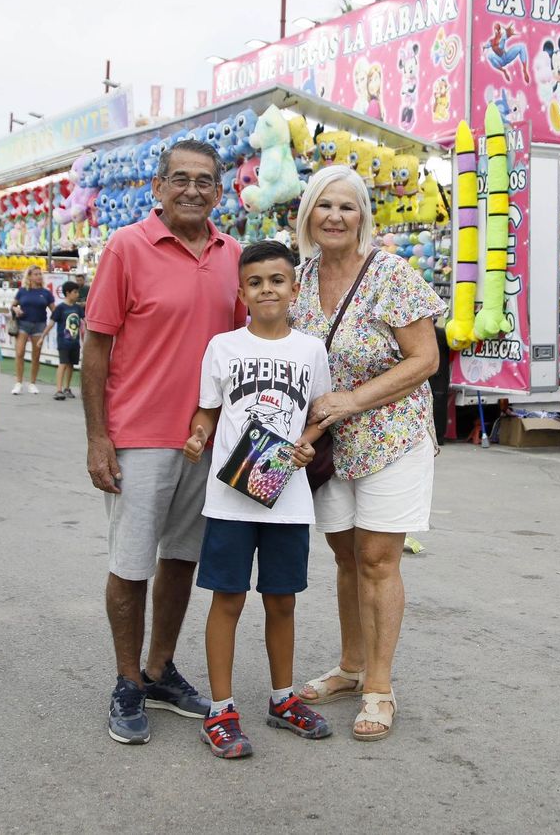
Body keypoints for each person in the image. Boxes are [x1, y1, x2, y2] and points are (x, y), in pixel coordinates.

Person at [82, 138, 245, 745]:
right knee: (131, 563)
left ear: (219, 192)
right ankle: (127, 681)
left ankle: (159, 670)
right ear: (158, 187)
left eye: (204, 181)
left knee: (181, 558)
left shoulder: (233, 255)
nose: (192, 190)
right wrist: (98, 436)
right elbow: (96, 346)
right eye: (180, 179)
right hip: (139, 436)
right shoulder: (126, 247)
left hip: (207, 439)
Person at [288, 165, 443, 741]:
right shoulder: (298, 279)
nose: (334, 216)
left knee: (378, 559)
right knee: (345, 557)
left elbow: (425, 359)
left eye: (346, 207)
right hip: (329, 443)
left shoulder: (391, 274)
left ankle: (379, 686)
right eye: (324, 205)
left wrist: (353, 400)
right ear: (307, 214)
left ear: (362, 218)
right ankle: (351, 667)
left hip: (390, 435)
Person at [182, 240, 334, 759]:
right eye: (255, 282)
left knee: (282, 600)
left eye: (276, 280)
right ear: (241, 291)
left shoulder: (311, 350)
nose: (266, 289)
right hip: (231, 497)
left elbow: (318, 414)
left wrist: (307, 442)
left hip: (286, 497)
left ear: (295, 288)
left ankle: (283, 698)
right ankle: (220, 710)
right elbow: (207, 411)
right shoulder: (223, 347)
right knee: (227, 598)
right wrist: (198, 436)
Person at [10, 266, 54, 395]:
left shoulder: (46, 293)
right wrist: (16, 309)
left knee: (36, 355)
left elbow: (54, 311)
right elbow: (13, 305)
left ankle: (32, 383)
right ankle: (18, 383)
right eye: (36, 274)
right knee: (19, 352)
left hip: (39, 325)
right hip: (23, 324)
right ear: (29, 276)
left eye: (40, 274)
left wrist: (52, 324)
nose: (39, 276)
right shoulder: (22, 291)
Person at [50, 281, 84, 401]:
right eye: (75, 292)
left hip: (75, 342)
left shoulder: (78, 308)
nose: (77, 294)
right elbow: (51, 322)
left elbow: (84, 322)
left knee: (71, 365)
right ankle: (58, 390)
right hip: (63, 341)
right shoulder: (60, 308)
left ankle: (67, 388)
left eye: (77, 292)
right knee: (63, 363)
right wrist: (43, 336)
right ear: (68, 293)